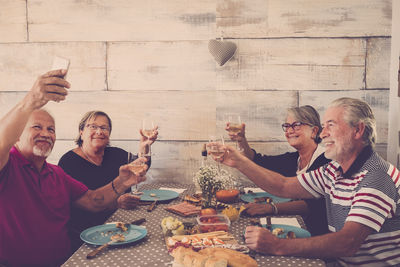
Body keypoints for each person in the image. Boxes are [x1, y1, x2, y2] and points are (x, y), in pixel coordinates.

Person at [212, 97, 400, 266]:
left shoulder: (377, 176)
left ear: (358, 130)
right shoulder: (334, 169)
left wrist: (277, 245)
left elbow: (346, 243)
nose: (323, 133)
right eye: (324, 126)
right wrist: (238, 161)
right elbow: (284, 186)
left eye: (331, 125)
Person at [0, 70, 147, 267]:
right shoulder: (8, 166)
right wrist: (31, 100)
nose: (45, 133)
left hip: (70, 261)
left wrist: (122, 182)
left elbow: (94, 201)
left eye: (51, 129)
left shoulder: (55, 173)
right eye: (37, 127)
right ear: (17, 135)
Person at [58, 110, 158, 253]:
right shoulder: (68, 162)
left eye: (104, 128)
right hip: (88, 236)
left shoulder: (115, 154)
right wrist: (116, 203)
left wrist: (145, 146)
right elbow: (81, 206)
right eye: (93, 126)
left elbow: (140, 168)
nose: (99, 131)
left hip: (123, 225)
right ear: (81, 132)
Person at [226, 106, 330, 236]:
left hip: (318, 235)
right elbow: (256, 161)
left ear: (314, 131)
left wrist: (272, 208)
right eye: (287, 126)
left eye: (297, 125)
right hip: (298, 227)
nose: (290, 130)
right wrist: (241, 140)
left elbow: (315, 205)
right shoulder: (294, 159)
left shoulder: (326, 161)